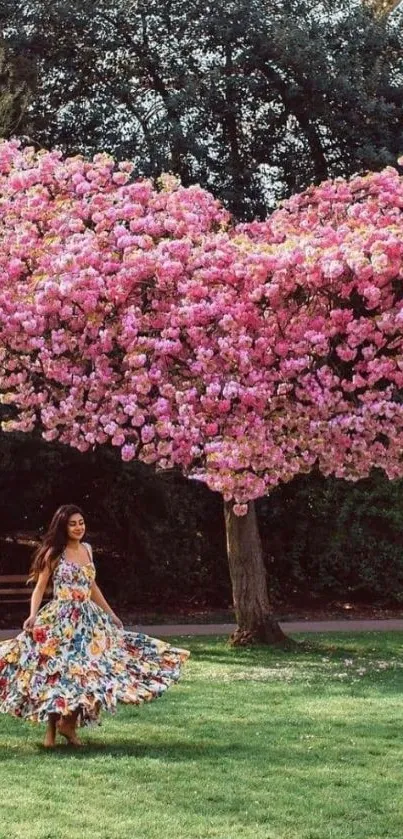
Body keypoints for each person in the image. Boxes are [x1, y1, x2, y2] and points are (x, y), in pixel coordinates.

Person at [0, 504, 190, 748]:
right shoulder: (53, 554)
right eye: (73, 524)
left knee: (94, 671)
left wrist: (111, 614)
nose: (79, 527)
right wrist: (32, 615)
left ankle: (68, 724)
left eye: (81, 522)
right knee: (56, 673)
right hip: (61, 619)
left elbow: (92, 587)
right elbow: (39, 588)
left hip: (88, 621)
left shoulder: (88, 549)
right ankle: (51, 731)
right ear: (63, 526)